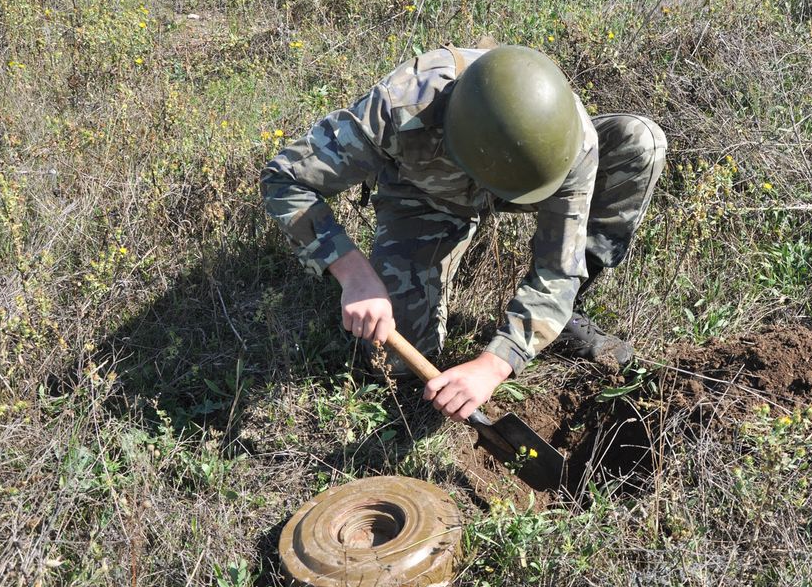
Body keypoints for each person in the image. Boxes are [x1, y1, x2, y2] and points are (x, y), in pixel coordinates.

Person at [261, 44, 666, 423]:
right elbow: (286, 179)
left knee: (640, 143)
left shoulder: (569, 147)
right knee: (400, 358)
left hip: (523, 181)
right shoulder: (403, 105)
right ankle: (445, 250)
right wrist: (354, 274)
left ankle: (561, 319)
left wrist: (494, 365)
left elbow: (558, 270)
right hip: (427, 195)